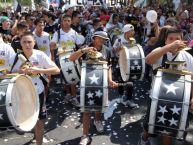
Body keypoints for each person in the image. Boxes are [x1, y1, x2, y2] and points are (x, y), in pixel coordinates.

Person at [138, 27, 193, 145]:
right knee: (150, 126)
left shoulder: (188, 57)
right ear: (166, 40)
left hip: (178, 100)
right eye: (171, 39)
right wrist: (169, 47)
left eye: (177, 39)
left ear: (182, 40)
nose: (174, 41)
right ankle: (144, 137)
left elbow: (192, 79)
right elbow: (148, 60)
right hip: (157, 97)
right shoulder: (160, 50)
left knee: (168, 130)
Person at [69, 30, 118, 145]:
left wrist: (110, 79)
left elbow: (109, 67)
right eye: (99, 38)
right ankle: (85, 135)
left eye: (104, 39)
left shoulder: (108, 51)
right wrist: (83, 50)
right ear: (94, 38)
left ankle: (97, 120)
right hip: (87, 83)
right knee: (86, 110)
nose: (101, 40)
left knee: (99, 106)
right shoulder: (86, 48)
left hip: (101, 83)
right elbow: (71, 58)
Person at [11, 31, 60, 145]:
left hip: (38, 91)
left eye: (29, 42)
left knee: (40, 121)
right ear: (21, 44)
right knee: (27, 119)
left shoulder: (40, 55)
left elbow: (57, 70)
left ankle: (39, 143)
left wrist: (39, 70)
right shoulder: (16, 57)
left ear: (34, 43)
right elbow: (8, 74)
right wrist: (19, 72)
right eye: (24, 42)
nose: (27, 44)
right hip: (22, 93)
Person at [50, 14, 85, 106]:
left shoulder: (74, 33)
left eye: (68, 20)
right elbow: (52, 45)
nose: (66, 22)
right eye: (65, 20)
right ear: (61, 22)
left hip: (73, 58)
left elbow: (79, 45)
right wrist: (53, 57)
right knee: (64, 78)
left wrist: (82, 53)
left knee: (73, 78)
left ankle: (74, 97)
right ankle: (68, 94)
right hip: (61, 59)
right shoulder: (57, 33)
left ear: (71, 22)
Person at [113, 24, 139, 109]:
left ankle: (129, 99)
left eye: (133, 31)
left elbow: (134, 51)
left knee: (130, 81)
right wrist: (118, 48)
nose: (133, 32)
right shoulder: (119, 39)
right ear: (126, 32)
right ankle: (121, 95)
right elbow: (113, 50)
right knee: (121, 80)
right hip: (120, 62)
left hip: (130, 63)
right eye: (131, 31)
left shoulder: (133, 40)